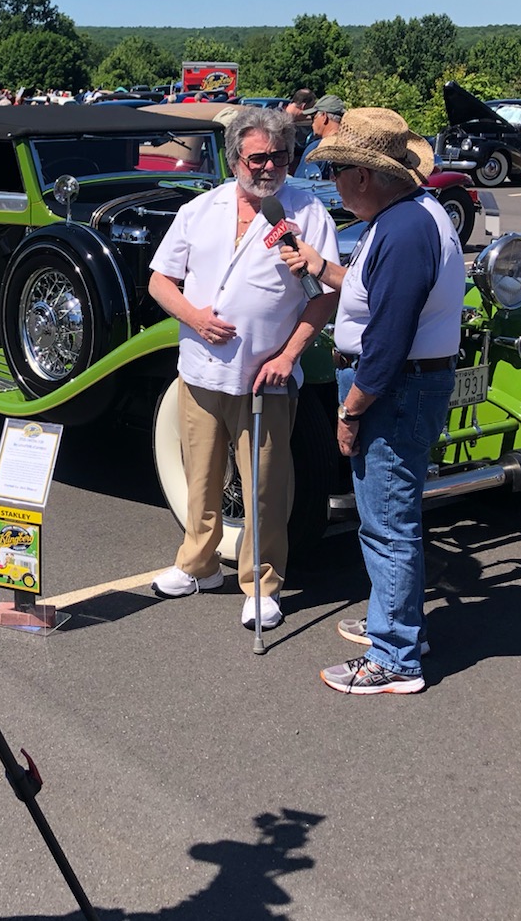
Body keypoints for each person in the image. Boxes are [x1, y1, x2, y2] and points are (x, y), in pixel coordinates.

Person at [278, 109, 464, 694]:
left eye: (336, 172)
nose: (333, 184)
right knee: (390, 516)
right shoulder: (411, 215)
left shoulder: (404, 230)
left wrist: (350, 410)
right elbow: (370, 289)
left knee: (387, 523)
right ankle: (396, 623)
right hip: (407, 384)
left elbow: (387, 339)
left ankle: (395, 659)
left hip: (394, 389)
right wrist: (320, 266)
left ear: (363, 175)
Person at [148, 106, 341, 631]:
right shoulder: (200, 209)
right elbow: (160, 280)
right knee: (202, 477)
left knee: (264, 488)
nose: (268, 167)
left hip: (266, 378)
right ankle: (197, 564)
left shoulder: (306, 212)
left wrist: (288, 356)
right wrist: (195, 317)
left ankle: (262, 585)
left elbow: (322, 297)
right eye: (257, 157)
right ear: (235, 159)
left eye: (279, 156)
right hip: (201, 370)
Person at [297, 94, 346, 174]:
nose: (312, 123)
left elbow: (300, 183)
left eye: (313, 117)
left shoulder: (316, 148)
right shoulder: (350, 146)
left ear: (324, 116)